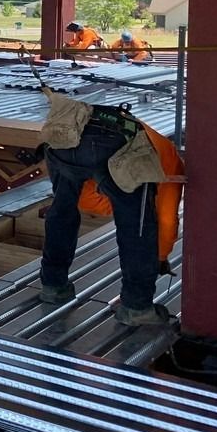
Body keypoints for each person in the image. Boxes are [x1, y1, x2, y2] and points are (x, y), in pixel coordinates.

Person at [37, 98, 171, 325]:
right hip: (114, 140)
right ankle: (136, 308)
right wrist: (160, 256)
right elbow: (164, 214)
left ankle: (53, 286)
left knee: (62, 212)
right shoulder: (161, 147)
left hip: (65, 135)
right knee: (136, 224)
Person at [78, 121, 183, 273]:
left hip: (155, 158)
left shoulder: (167, 164)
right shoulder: (82, 150)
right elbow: (166, 219)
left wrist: (160, 256)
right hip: (112, 147)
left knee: (158, 217)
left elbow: (166, 220)